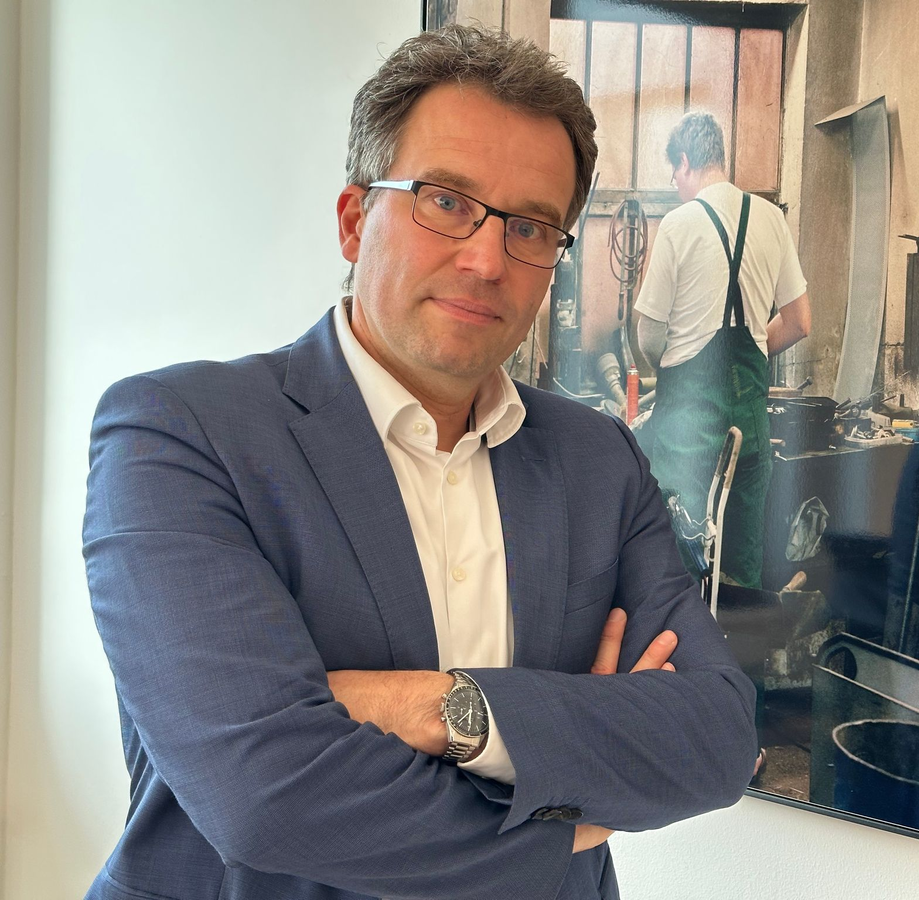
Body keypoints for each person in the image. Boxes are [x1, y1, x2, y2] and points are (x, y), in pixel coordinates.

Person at [83, 26, 758, 900]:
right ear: (354, 220)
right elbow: (267, 797)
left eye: (530, 226)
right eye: (444, 200)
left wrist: (440, 709)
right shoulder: (178, 435)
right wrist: (567, 810)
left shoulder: (599, 461)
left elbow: (717, 739)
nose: (486, 259)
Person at [634, 112, 811, 590]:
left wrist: (670, 371)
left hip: (687, 430)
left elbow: (648, 334)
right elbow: (799, 322)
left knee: (678, 564)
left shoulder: (677, 224)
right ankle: (739, 636)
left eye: (674, 172)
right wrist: (752, 351)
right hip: (750, 425)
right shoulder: (772, 219)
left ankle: (683, 639)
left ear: (685, 161)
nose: (675, 184)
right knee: (739, 566)